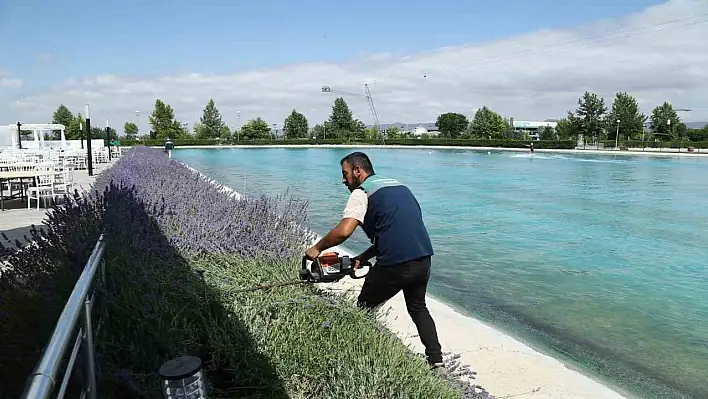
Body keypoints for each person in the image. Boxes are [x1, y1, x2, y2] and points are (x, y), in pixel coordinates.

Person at [304, 151, 445, 375]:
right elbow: (397, 230)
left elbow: (344, 231)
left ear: (358, 171)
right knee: (418, 308)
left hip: (395, 263)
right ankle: (437, 362)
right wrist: (363, 257)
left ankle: (354, 356)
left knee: (362, 310)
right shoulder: (399, 186)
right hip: (423, 258)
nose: (343, 180)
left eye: (345, 174)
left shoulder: (362, 192)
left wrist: (317, 248)